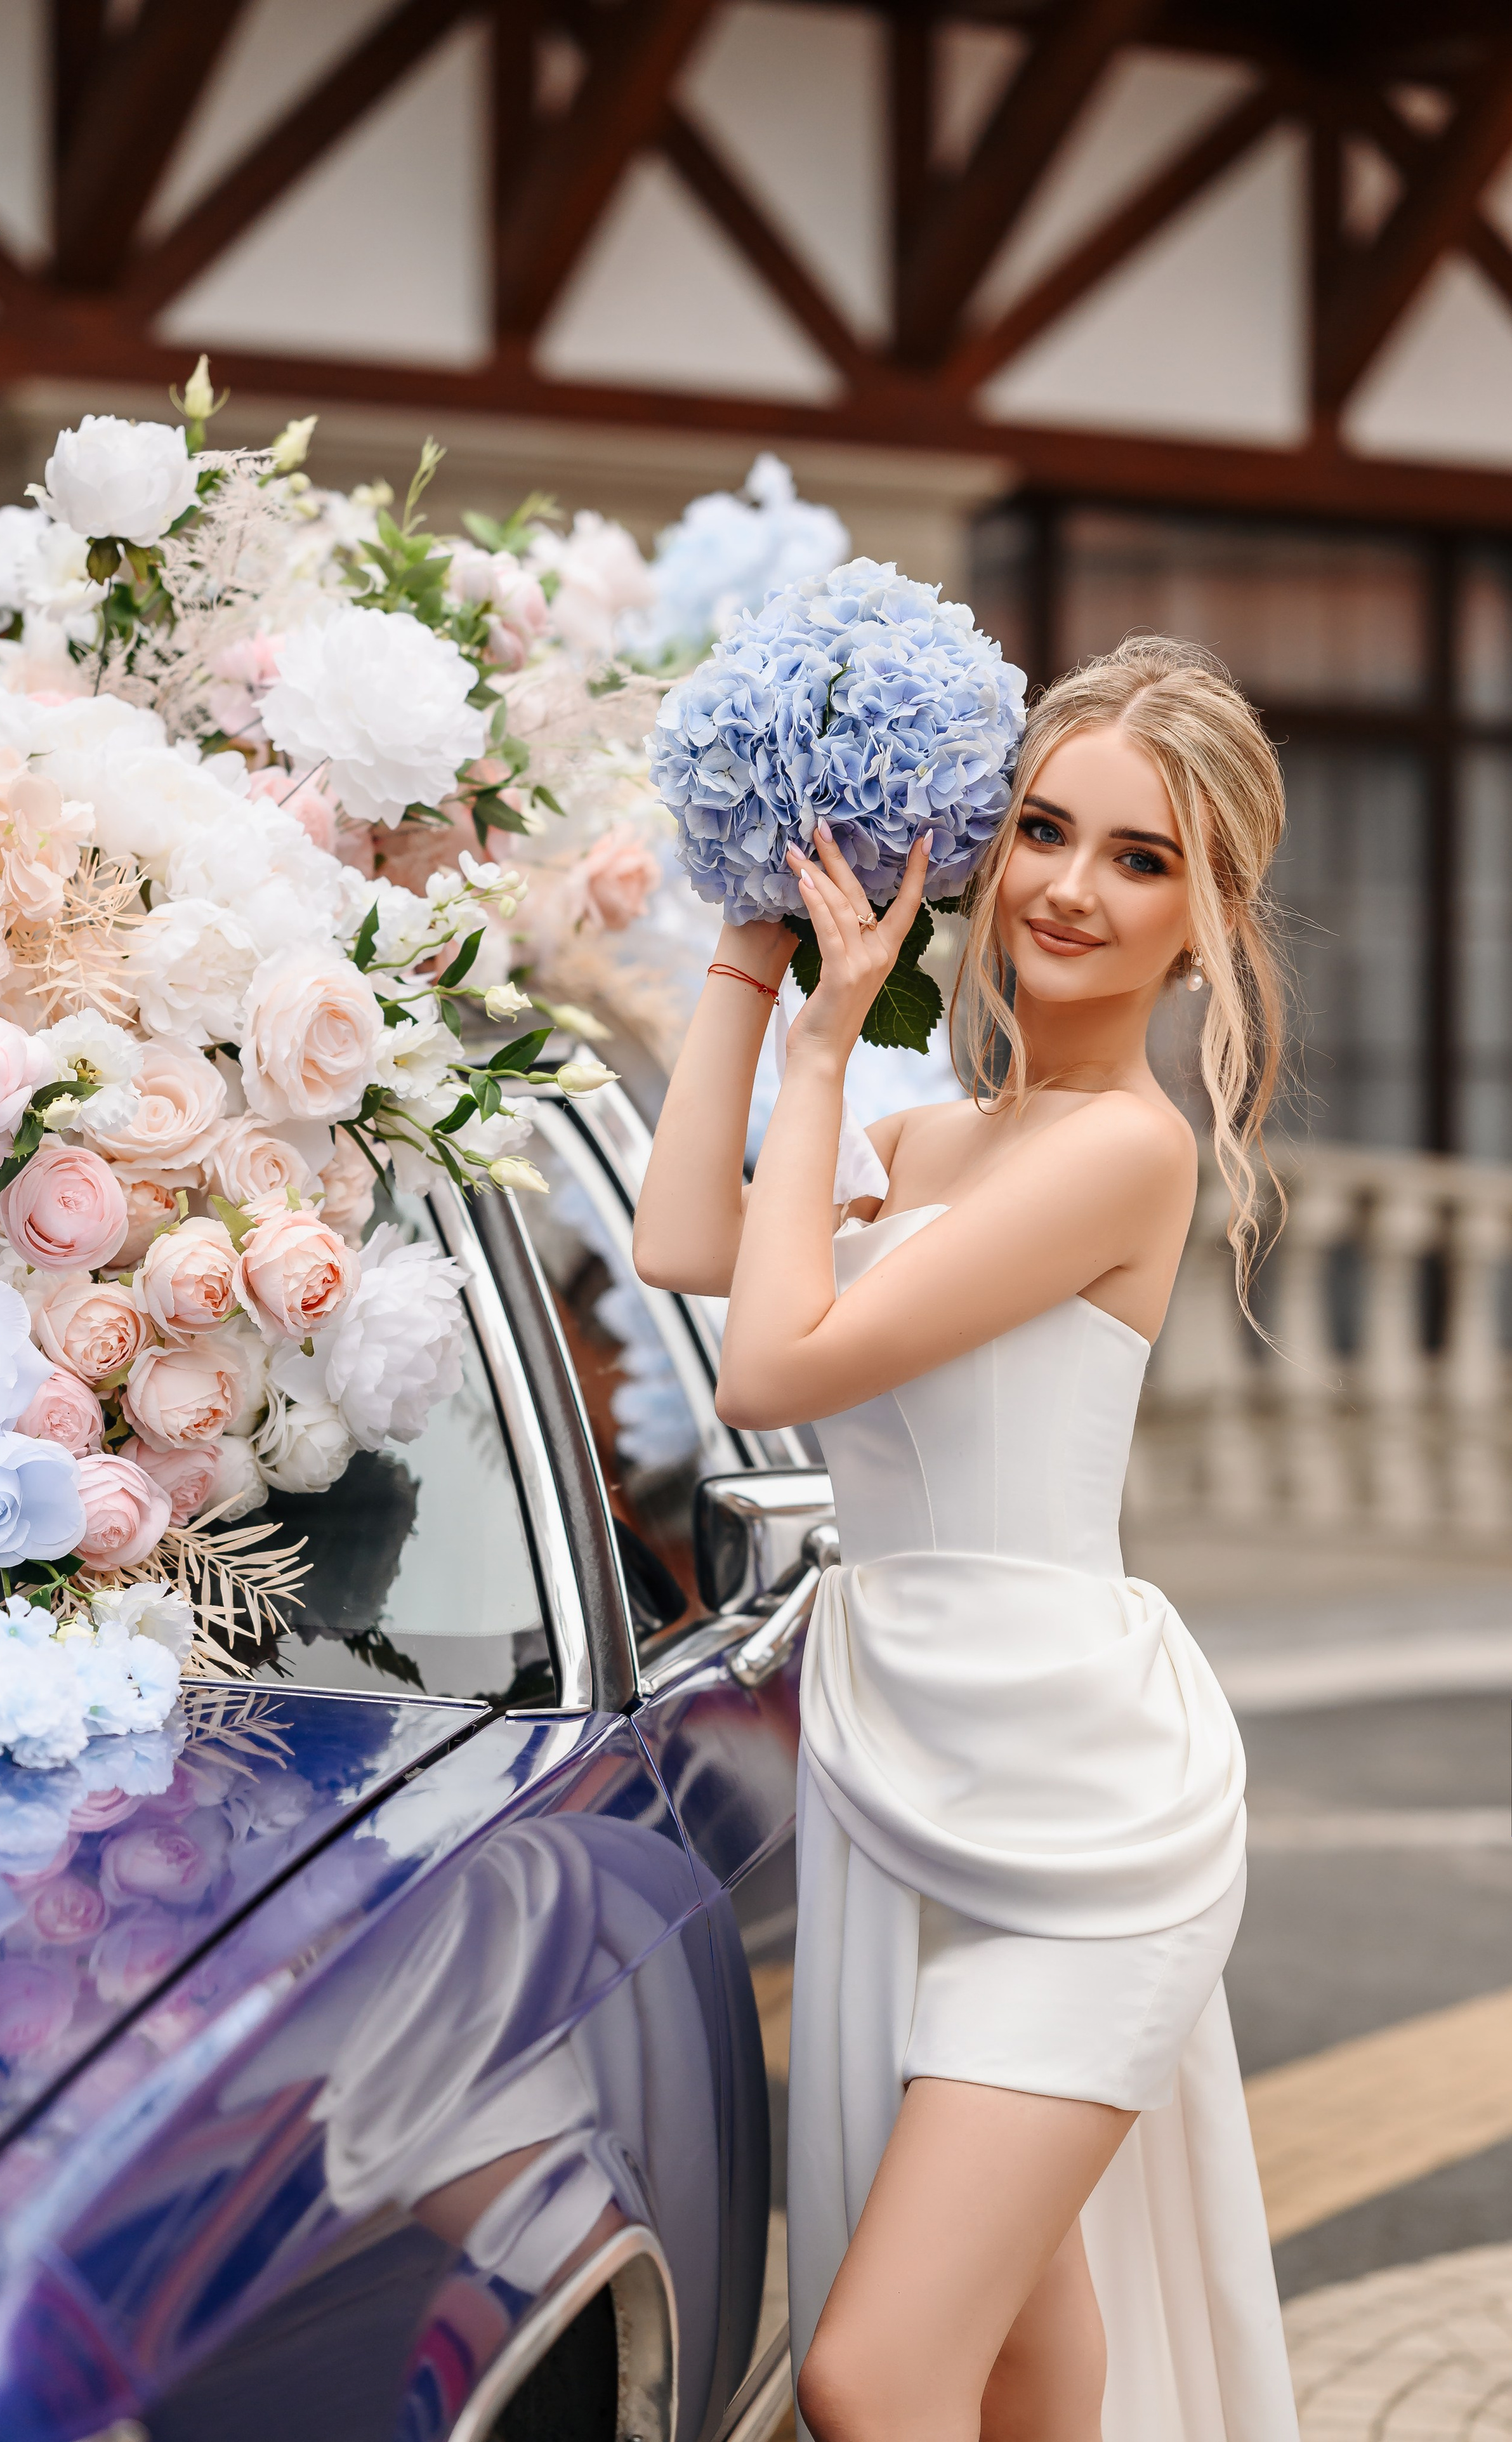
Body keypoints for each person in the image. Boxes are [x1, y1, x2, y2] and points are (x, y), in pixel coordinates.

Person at [633, 636, 1299, 2441]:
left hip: (1078, 1806)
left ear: (1207, 920)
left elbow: (773, 1365)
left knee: (871, 2370)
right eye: (1043, 830)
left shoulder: (1125, 1156)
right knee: (1010, 2338)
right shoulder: (937, 1141)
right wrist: (755, 924)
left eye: (1142, 859)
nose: (1073, 889)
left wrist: (832, 1046)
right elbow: (692, 1237)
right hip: (911, 1754)